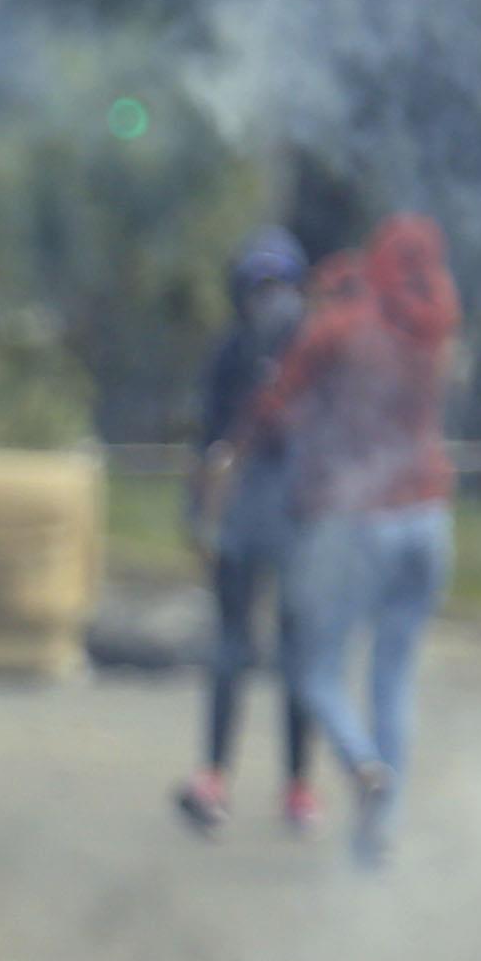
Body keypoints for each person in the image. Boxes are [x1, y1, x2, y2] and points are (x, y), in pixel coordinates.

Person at [238, 213, 461, 868]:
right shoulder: (438, 332)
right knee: (394, 677)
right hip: (431, 517)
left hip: (362, 519)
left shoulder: (340, 329)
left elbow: (274, 407)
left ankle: (362, 764)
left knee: (317, 670)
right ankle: (380, 831)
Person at [176, 227, 321, 836]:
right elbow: (207, 444)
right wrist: (198, 520)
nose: (271, 299)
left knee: (298, 659)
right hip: (239, 527)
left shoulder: (316, 358)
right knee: (231, 652)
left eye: (281, 286)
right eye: (260, 287)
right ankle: (213, 778)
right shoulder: (229, 356)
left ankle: (297, 788)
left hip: (300, 528)